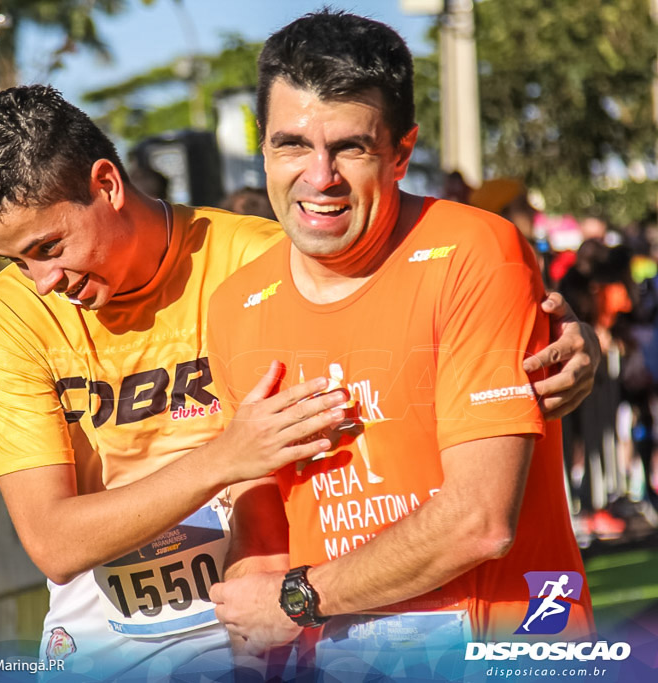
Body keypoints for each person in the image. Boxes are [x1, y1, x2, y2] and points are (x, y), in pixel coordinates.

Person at [0, 85, 598, 679]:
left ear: (107, 184)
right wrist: (226, 457)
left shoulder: (260, 256)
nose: (41, 281)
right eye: (16, 260)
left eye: (49, 247)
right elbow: (54, 543)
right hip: (110, 645)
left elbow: (425, 310)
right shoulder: (6, 315)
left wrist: (558, 341)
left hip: (283, 619)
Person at [204, 10, 595, 675]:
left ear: (402, 152)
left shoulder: (474, 252)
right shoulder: (236, 305)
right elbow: (263, 539)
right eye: (292, 143)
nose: (318, 175)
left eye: (350, 147)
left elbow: (479, 518)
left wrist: (299, 598)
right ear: (263, 150)